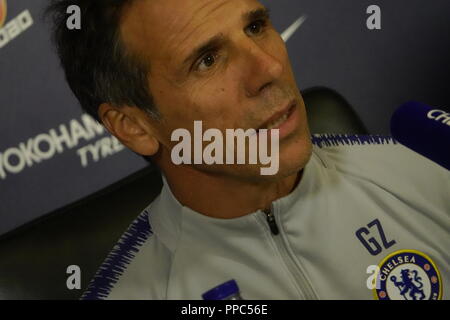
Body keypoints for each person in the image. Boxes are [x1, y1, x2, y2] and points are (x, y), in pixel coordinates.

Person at [46, 0, 449, 300]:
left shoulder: (426, 173)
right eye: (207, 60)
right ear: (134, 127)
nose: (269, 69)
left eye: (256, 26)